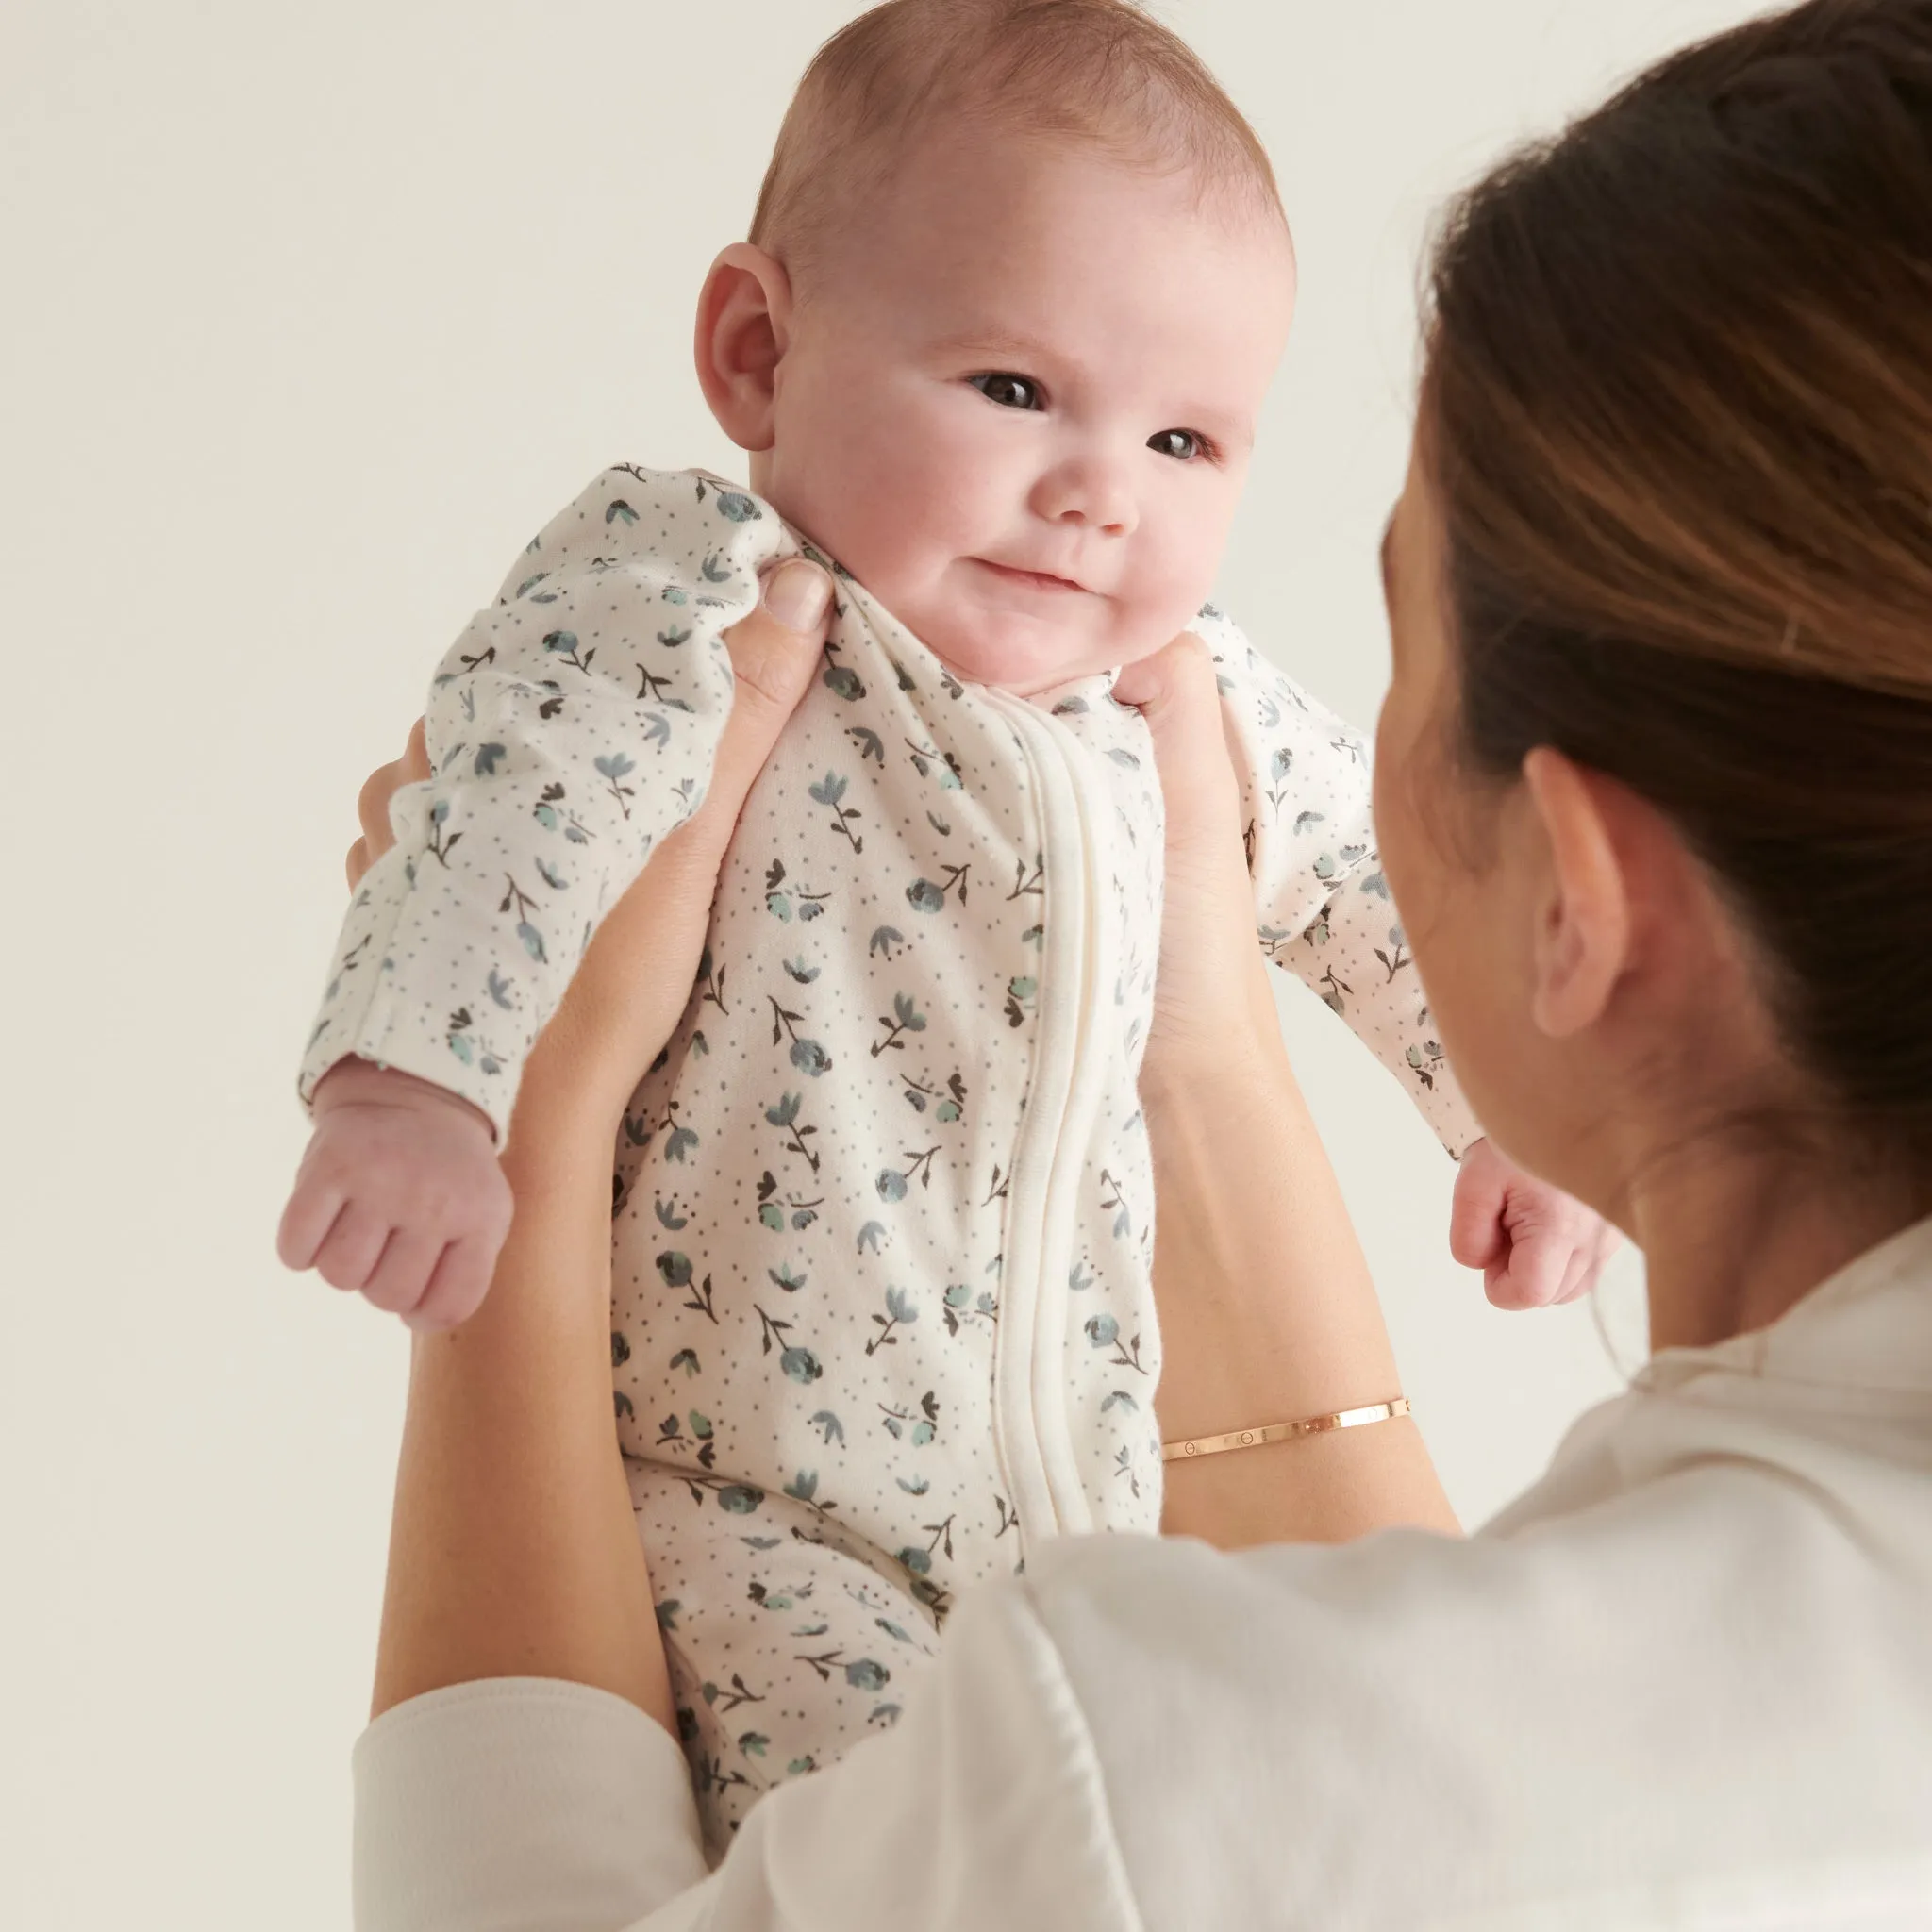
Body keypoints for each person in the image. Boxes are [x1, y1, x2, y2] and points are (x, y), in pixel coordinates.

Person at [350, 0, 1932, 1923]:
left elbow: (1337, 869)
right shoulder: (683, 600)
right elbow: (494, 810)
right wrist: (409, 1084)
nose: (1102, 490)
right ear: (756, 353)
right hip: (746, 1483)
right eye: (1013, 389)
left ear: (1578, 911)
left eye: (1184, 439)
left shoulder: (1167, 689)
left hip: (1072, 1473)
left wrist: (1482, 1109)